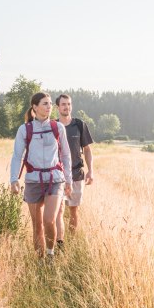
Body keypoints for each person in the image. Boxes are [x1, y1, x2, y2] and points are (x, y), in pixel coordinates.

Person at [10, 92, 72, 260]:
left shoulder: (57, 127)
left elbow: (66, 155)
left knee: (49, 220)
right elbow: (17, 156)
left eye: (50, 103)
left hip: (55, 180)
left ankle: (51, 254)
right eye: (45, 103)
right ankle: (40, 261)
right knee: (37, 226)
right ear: (35, 107)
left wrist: (69, 181)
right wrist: (14, 179)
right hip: (34, 181)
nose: (49, 106)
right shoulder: (25, 129)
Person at [54, 94, 94, 247]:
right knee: (58, 210)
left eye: (69, 104)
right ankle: (59, 243)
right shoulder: (52, 126)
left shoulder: (79, 125)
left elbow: (87, 149)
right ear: (58, 107)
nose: (67, 107)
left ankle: (72, 241)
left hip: (77, 174)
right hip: (57, 175)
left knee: (73, 210)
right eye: (63, 104)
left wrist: (91, 171)